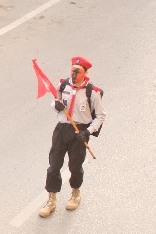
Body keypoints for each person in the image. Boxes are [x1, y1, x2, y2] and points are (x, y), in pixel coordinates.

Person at [38, 57, 106, 218]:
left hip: (79, 131)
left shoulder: (92, 92)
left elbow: (101, 116)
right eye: (73, 71)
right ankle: (51, 200)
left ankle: (75, 193)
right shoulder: (63, 85)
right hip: (62, 129)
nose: (74, 74)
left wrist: (88, 131)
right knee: (54, 165)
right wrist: (56, 105)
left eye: (78, 72)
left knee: (75, 167)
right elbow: (55, 101)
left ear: (85, 73)